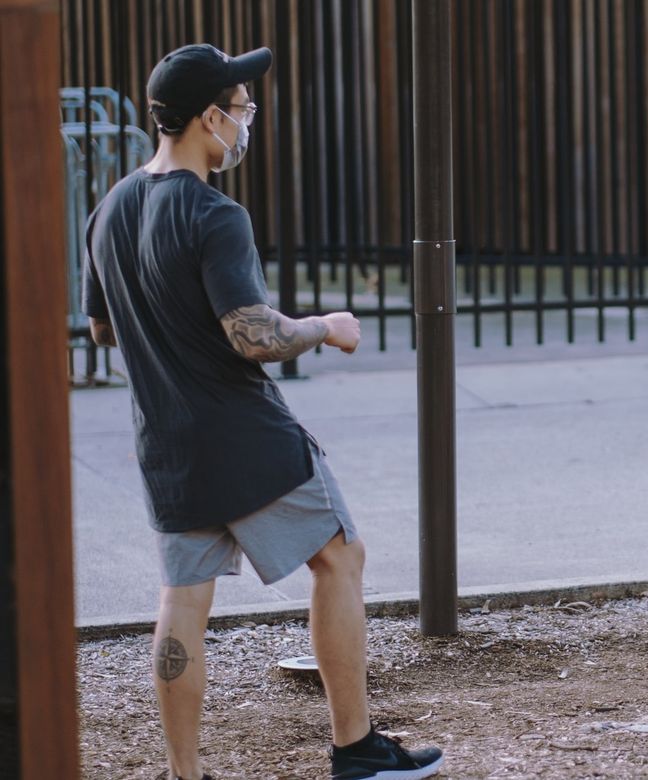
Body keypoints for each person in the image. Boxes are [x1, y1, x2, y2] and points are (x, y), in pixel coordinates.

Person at [83, 44, 444, 779]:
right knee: (340, 557)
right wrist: (326, 326)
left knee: (182, 599)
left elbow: (101, 327)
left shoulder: (110, 208)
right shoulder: (216, 214)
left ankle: (186, 773)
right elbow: (253, 336)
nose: (248, 122)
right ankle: (357, 750)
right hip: (247, 438)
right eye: (243, 110)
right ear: (209, 118)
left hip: (168, 446)